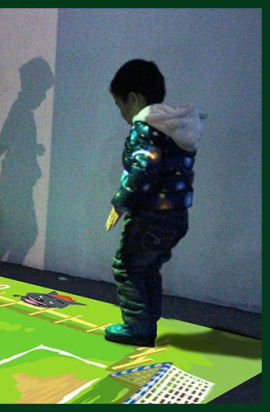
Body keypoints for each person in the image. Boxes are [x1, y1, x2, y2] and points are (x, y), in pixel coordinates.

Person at [104, 59, 206, 347]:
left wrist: (121, 202)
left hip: (151, 215)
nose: (122, 114)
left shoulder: (146, 127)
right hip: (177, 216)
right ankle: (148, 318)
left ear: (133, 98)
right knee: (148, 266)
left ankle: (138, 326)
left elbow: (144, 169)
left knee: (127, 265)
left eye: (120, 105)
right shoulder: (175, 129)